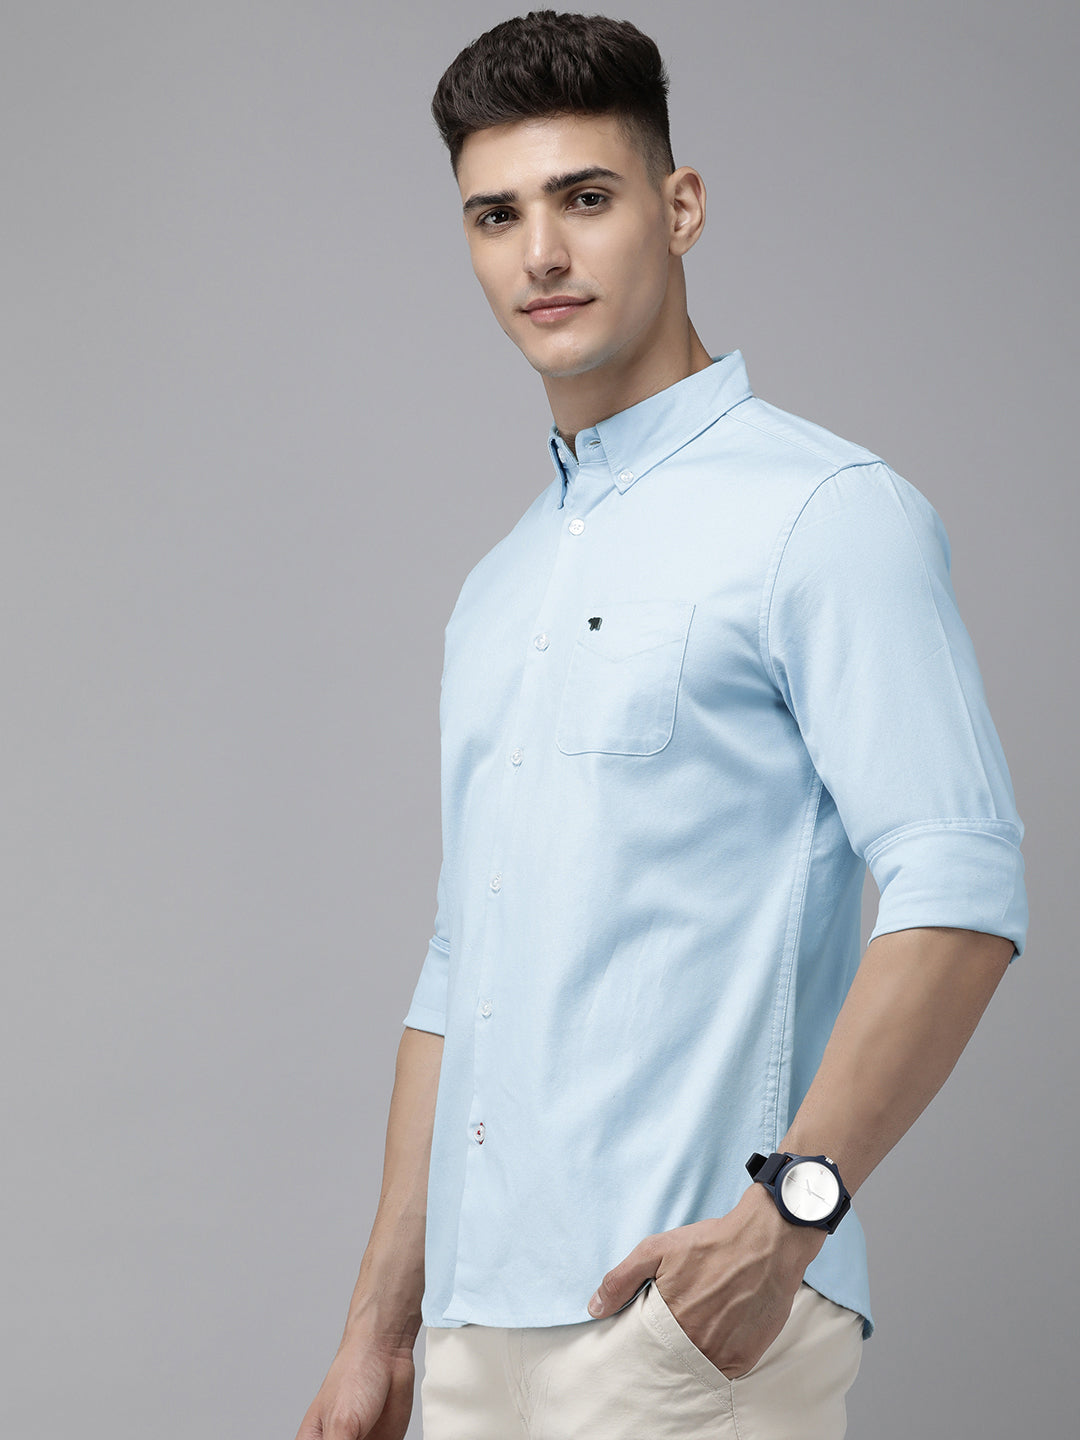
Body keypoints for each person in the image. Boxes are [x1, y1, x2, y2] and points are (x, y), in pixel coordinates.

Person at [294, 10, 1029, 1439]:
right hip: (473, 1339)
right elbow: (461, 965)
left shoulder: (826, 515)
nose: (541, 254)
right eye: (496, 216)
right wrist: (380, 1328)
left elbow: (960, 886)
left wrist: (784, 1224)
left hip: (683, 1326)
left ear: (679, 206)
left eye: (585, 198)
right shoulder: (499, 587)